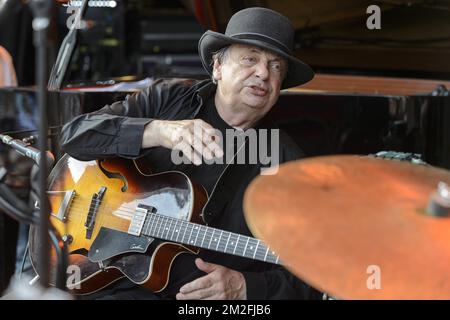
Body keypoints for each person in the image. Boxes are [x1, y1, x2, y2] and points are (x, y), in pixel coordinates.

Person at [60, 7, 321, 300]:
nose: (263, 73)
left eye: (276, 67)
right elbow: (74, 135)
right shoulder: (167, 99)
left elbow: (316, 271)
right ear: (217, 67)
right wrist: (158, 131)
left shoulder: (286, 162)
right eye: (250, 58)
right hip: (99, 272)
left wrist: (246, 288)